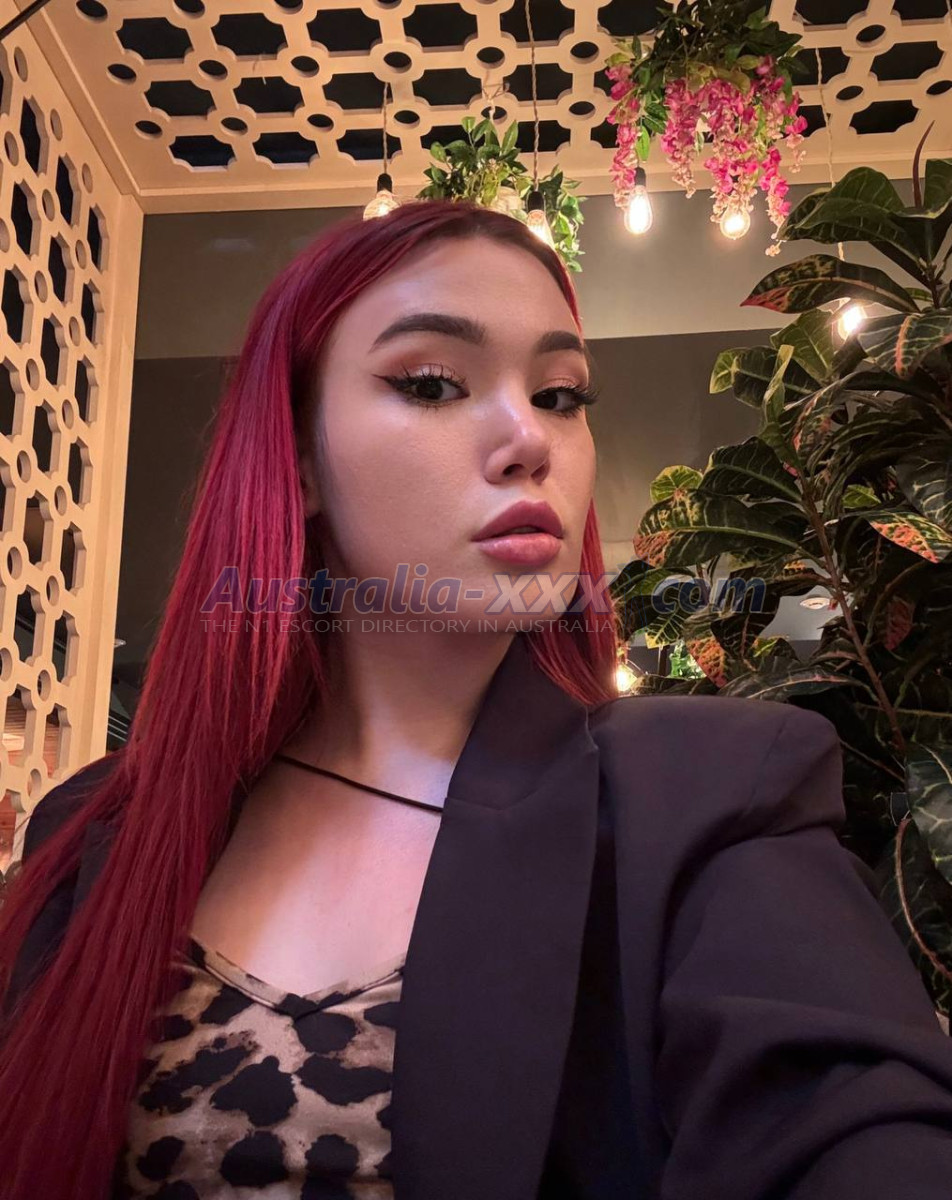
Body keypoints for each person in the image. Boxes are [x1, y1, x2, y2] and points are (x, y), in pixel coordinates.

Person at [2, 199, 952, 1200]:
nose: (528, 438)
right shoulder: (99, 829)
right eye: (431, 383)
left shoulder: (704, 802)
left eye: (560, 395)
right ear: (299, 457)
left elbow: (851, 1117)